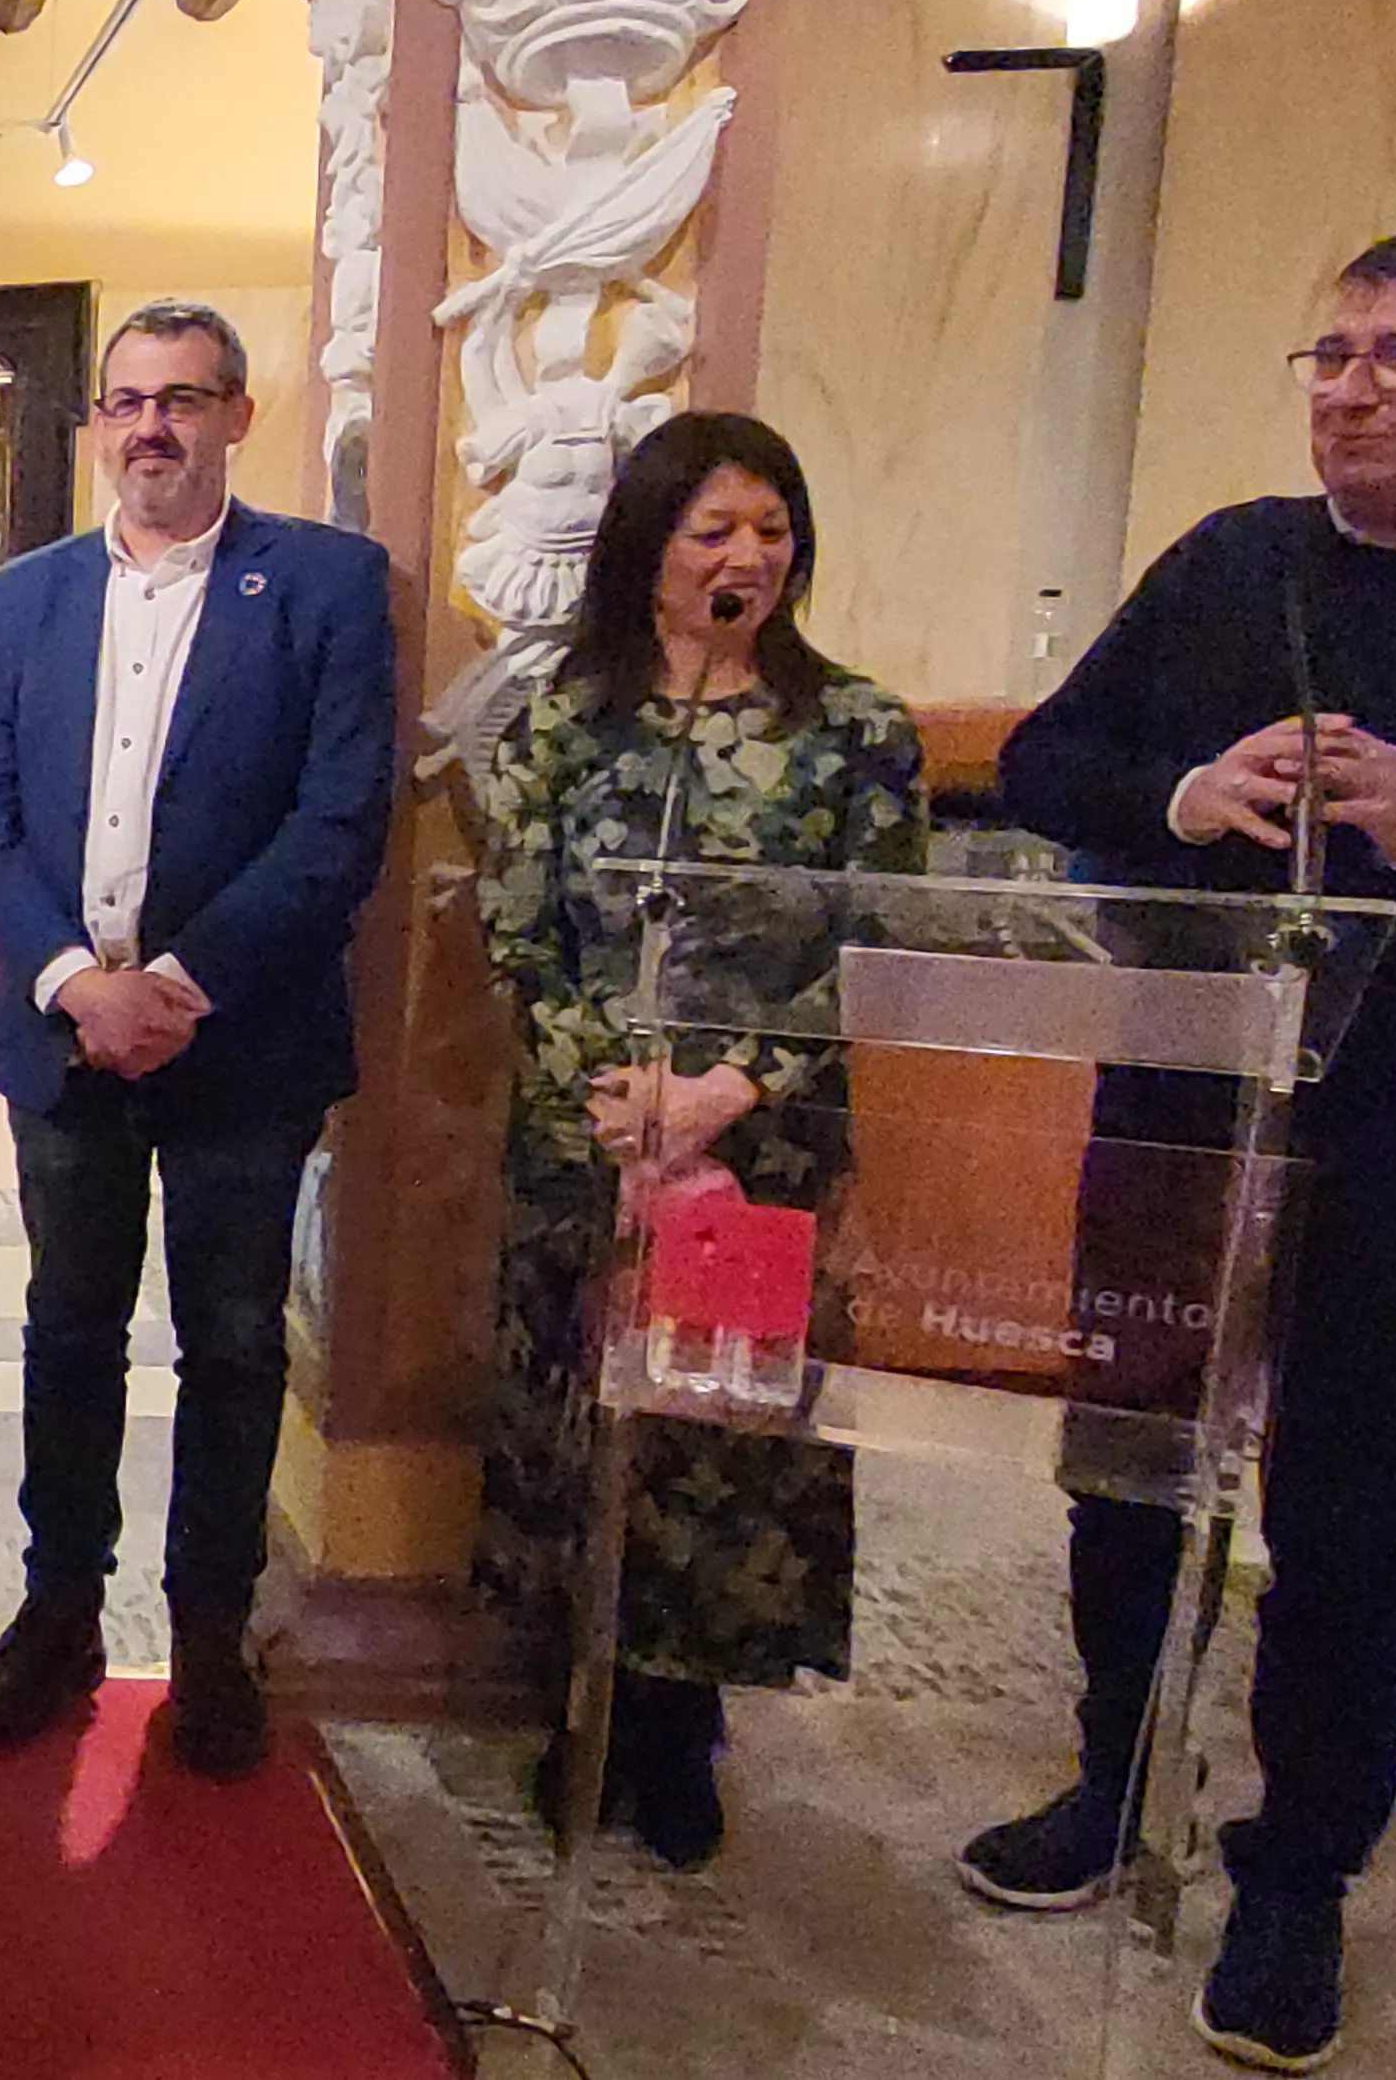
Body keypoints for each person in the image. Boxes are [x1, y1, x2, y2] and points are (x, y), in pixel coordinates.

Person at [963, 226, 1396, 2073]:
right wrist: (1186, 792)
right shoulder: (1236, 562)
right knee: (1131, 1472)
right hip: (1181, 1109)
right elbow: (1042, 764)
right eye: (1329, 355)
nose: (1350, 390)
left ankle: (1299, 1878)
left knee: (1346, 1526)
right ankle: (1113, 1777)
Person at [0, 299, 396, 1777]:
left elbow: (339, 826)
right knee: (67, 1333)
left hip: (242, 1048)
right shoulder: (28, 597)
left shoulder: (325, 586)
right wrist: (81, 982)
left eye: (182, 400)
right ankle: (58, 1605)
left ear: (237, 416)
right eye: (127, 401)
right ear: (98, 427)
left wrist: (178, 989)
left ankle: (208, 1631)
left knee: (237, 1343)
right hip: (66, 1042)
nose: (151, 427)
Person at [470, 411, 924, 1867]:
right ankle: (579, 1708)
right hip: (587, 1135)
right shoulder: (563, 716)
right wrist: (614, 1093)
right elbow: (518, 929)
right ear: (648, 548)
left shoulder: (857, 729)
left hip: (758, 1144)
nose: (746, 557)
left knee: (720, 1441)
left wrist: (732, 1090)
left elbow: (879, 946)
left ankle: (683, 1730)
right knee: (585, 1426)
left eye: (770, 529)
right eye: (712, 530)